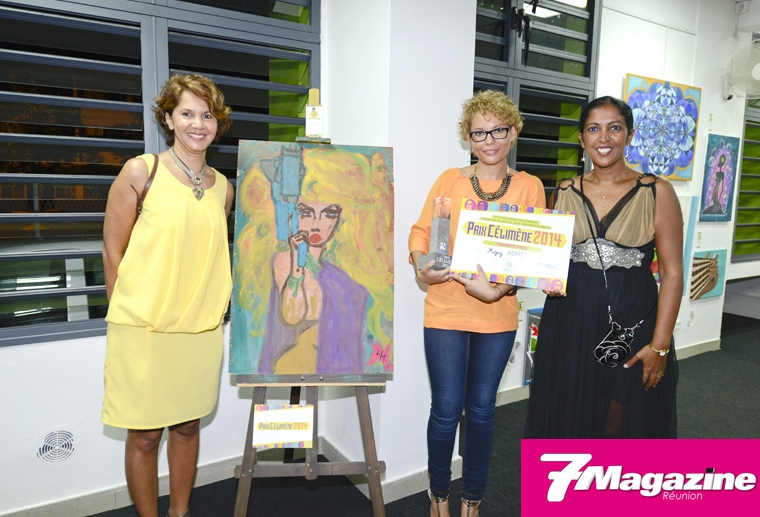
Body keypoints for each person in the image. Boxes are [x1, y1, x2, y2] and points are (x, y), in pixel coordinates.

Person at [101, 74, 234, 517]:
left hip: (199, 331)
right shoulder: (142, 171)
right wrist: (126, 313)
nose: (198, 124)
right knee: (144, 436)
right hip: (144, 330)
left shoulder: (224, 188)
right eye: (187, 113)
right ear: (169, 119)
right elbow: (113, 250)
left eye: (207, 115)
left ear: (217, 123)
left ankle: (180, 512)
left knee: (188, 427)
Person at [409, 90, 546, 517]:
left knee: (482, 412)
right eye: (479, 133)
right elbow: (420, 232)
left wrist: (497, 291)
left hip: (497, 316)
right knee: (446, 411)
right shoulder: (449, 180)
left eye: (498, 130)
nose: (489, 140)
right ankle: (438, 495)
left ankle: (472, 499)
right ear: (468, 137)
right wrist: (421, 266)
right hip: (446, 310)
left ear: (514, 132)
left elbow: (532, 255)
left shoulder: (529, 187)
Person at [524, 95, 683, 439]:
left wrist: (660, 346)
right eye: (594, 129)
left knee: (620, 421)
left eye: (615, 128)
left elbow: (672, 274)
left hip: (631, 323)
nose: (604, 137)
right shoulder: (563, 192)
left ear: (630, 134)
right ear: (582, 139)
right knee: (569, 413)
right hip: (569, 321)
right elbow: (550, 262)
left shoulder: (657, 192)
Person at [234, 146, 394, 375]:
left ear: (343, 217)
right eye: (307, 213)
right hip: (291, 365)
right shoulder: (286, 260)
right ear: (291, 213)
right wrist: (297, 270)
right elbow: (292, 316)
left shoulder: (338, 268)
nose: (317, 224)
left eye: (329, 214)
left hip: (338, 368)